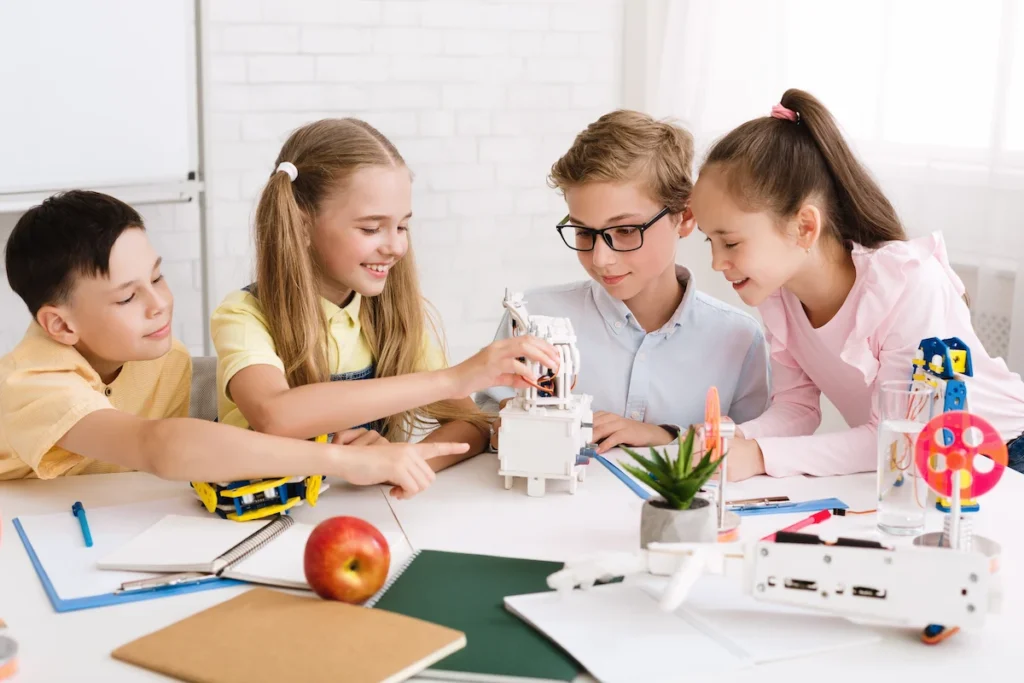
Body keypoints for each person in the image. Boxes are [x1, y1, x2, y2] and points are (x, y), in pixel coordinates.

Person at [0, 190, 469, 497]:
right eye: (127, 297)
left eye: (158, 277)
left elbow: (201, 452)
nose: (159, 303)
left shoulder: (159, 357)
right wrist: (340, 459)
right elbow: (159, 446)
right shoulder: (31, 385)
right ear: (60, 327)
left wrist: (329, 447)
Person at [691, 89, 1024, 479]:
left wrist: (760, 456)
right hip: (928, 472)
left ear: (805, 227)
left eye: (729, 242)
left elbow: (898, 437)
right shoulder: (779, 294)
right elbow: (797, 408)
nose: (716, 262)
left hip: (1003, 457)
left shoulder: (905, 284)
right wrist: (735, 439)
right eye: (708, 241)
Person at [212, 118, 559, 471]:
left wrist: (403, 460)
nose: (395, 246)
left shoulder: (394, 316)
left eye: (402, 226)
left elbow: (471, 424)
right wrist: (452, 379)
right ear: (302, 226)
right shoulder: (244, 315)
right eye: (371, 228)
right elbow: (275, 415)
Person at [478, 110, 769, 453]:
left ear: (685, 217)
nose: (601, 258)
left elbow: (753, 448)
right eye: (585, 232)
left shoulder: (739, 339)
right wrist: (510, 427)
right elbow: (485, 423)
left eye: (627, 230)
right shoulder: (532, 318)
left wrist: (665, 436)